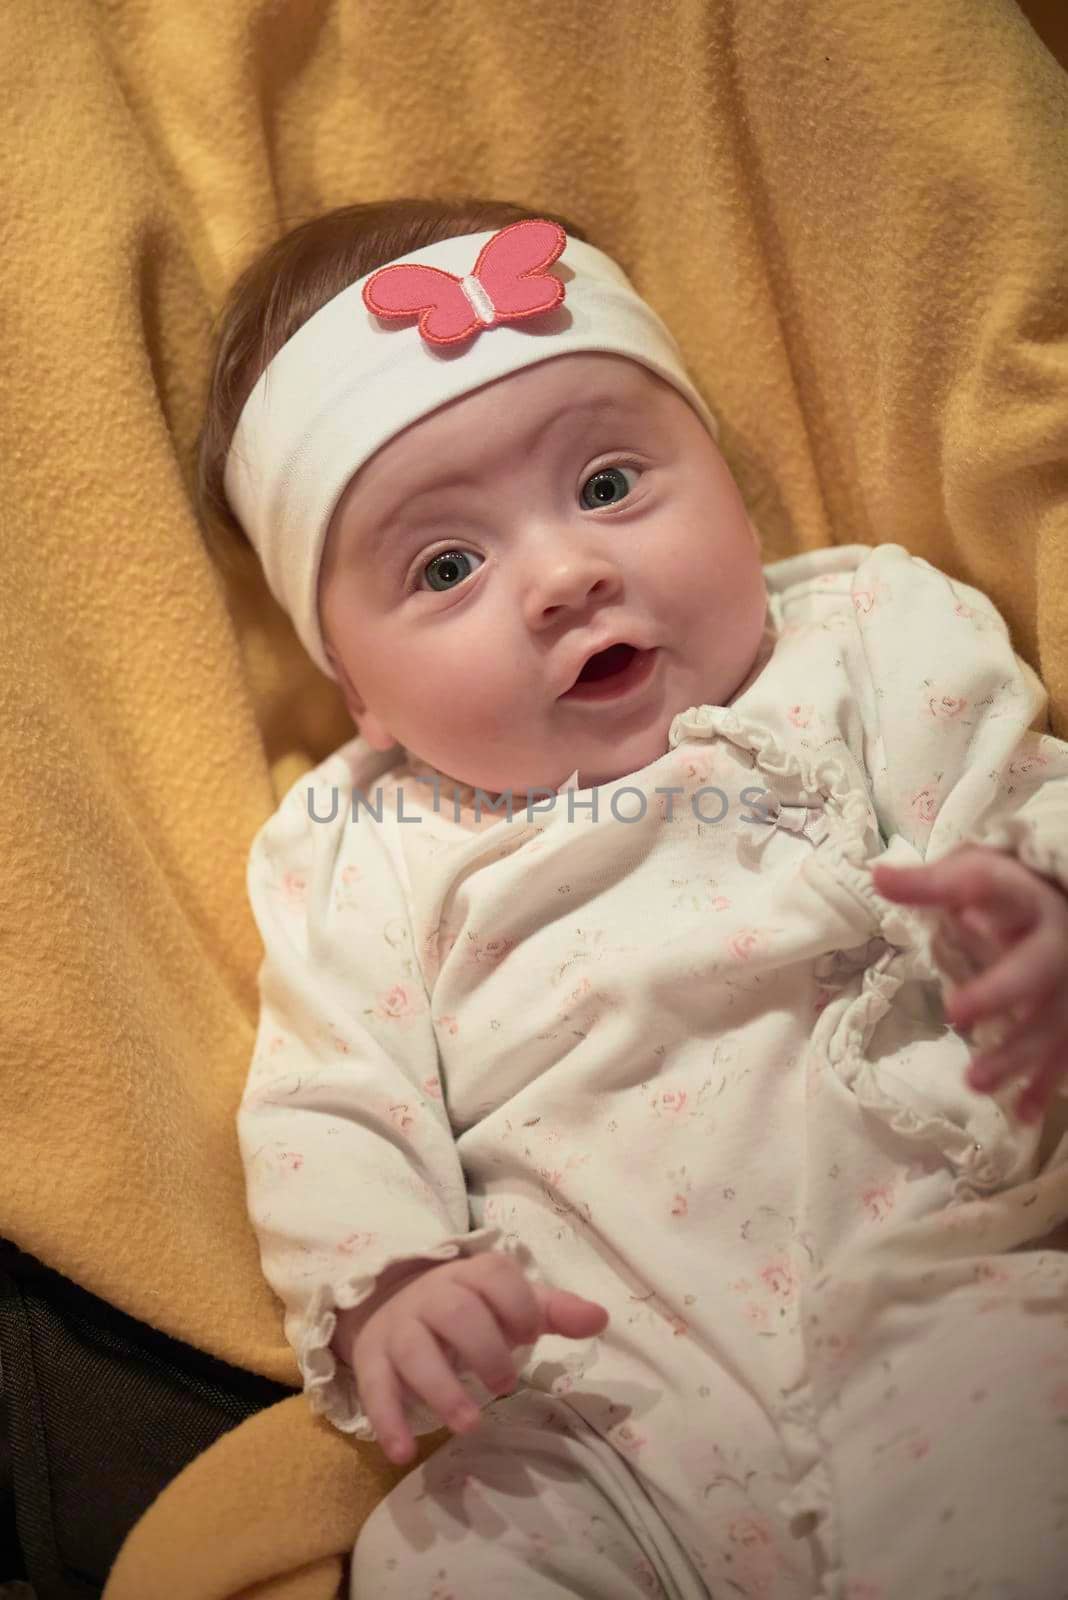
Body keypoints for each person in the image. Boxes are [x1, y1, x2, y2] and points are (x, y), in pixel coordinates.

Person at [198, 197, 1068, 1598]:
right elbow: (327, 1097)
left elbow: (1015, 791)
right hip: (590, 1411)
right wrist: (390, 1287)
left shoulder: (863, 634)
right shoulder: (366, 840)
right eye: (446, 566)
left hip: (949, 1291)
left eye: (609, 484)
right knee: (434, 1557)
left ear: (721, 473)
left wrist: (1043, 915)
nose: (565, 574)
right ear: (354, 684)